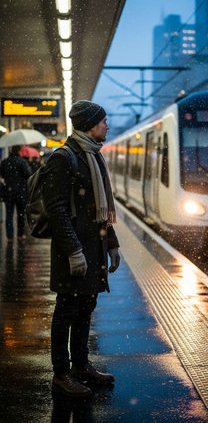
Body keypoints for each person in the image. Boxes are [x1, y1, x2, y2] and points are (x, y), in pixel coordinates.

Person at [43, 100, 120, 397]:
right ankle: (61, 374)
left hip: (93, 246)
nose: (107, 126)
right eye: (103, 122)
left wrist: (111, 244)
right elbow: (56, 209)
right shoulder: (65, 158)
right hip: (73, 249)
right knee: (67, 310)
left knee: (86, 307)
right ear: (90, 125)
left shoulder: (94, 157)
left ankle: (81, 365)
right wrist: (74, 250)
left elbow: (98, 209)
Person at [0, 145, 31, 241]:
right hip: (20, 192)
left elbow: (2, 174)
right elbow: (28, 174)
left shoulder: (5, 162)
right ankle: (20, 235)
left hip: (8, 191)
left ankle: (9, 236)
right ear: (19, 150)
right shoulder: (22, 162)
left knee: (9, 215)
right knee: (21, 214)